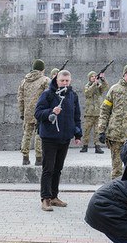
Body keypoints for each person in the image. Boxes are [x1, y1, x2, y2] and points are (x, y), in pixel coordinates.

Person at [34, 70, 82, 211]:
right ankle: (45, 199)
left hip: (65, 138)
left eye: (67, 81)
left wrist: (78, 135)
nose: (65, 83)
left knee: (58, 169)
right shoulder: (47, 94)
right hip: (49, 138)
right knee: (48, 169)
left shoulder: (73, 96)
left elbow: (76, 116)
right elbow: (37, 113)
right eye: (62, 81)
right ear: (56, 79)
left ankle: (54, 196)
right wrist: (51, 112)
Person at [17, 60, 48, 166]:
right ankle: (39, 158)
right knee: (39, 134)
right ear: (42, 69)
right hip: (40, 112)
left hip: (27, 112)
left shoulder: (24, 81)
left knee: (27, 134)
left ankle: (25, 158)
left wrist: (22, 112)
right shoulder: (45, 80)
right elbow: (49, 96)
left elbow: (20, 98)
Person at [81, 70, 108, 154]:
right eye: (92, 76)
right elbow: (88, 93)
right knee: (86, 130)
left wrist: (103, 79)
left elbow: (105, 88)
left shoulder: (98, 86)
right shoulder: (87, 86)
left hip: (98, 112)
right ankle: (85, 146)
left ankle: (97, 146)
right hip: (89, 113)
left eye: (94, 76)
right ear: (89, 78)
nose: (93, 77)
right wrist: (94, 84)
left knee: (97, 131)